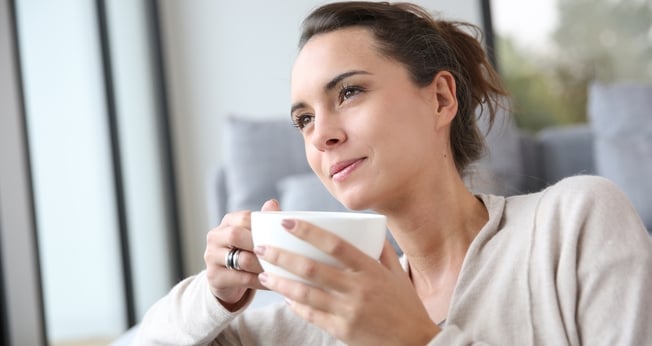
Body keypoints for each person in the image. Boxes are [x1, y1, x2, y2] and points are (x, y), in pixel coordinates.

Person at [136, 2, 652, 345]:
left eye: (350, 92)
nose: (321, 135)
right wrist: (216, 292)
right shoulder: (315, 309)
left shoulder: (574, 222)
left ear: (441, 98)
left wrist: (416, 339)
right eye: (304, 119)